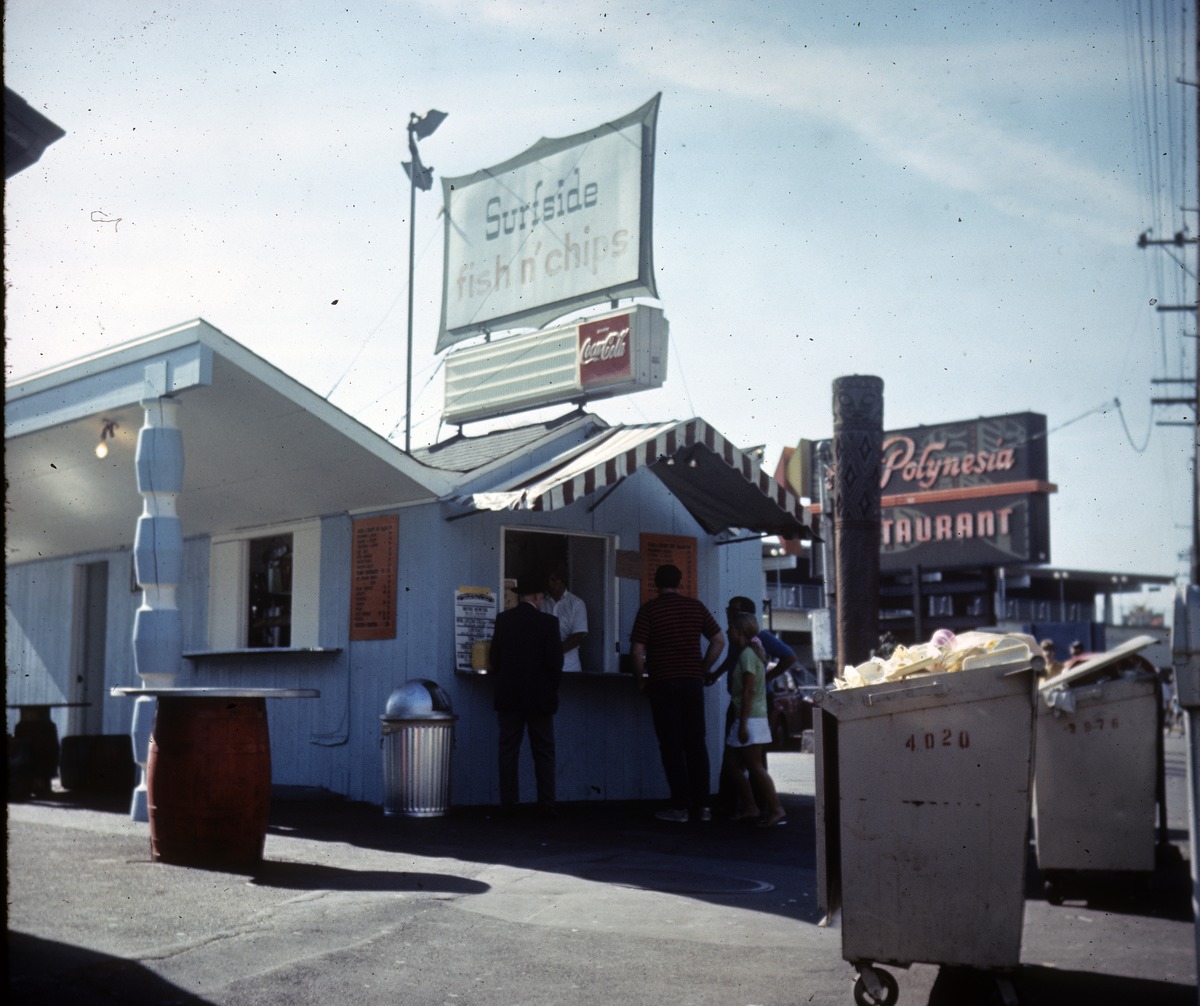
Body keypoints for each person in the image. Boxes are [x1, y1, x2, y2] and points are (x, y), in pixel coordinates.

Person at [630, 564, 726, 824]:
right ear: (680, 583)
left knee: (671, 745)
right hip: (692, 683)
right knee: (696, 743)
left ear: (655, 584)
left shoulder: (649, 611)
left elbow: (638, 652)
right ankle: (703, 807)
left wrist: (640, 681)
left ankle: (680, 807)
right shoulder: (696, 607)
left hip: (663, 684)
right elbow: (719, 640)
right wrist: (703, 668)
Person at [707, 596, 796, 815]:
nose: (729, 613)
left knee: (752, 758)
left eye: (734, 610)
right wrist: (716, 674)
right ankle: (738, 804)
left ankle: (763, 804)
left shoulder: (758, 638)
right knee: (736, 757)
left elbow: (789, 657)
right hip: (740, 701)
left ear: (745, 614)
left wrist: (767, 678)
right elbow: (731, 663)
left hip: (754, 702)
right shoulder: (738, 640)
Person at [489, 571, 565, 817]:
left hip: (509, 695)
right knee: (543, 751)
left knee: (508, 750)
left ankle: (508, 804)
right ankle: (547, 804)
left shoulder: (503, 620)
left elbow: (495, 660)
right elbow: (556, 663)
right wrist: (549, 688)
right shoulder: (548, 623)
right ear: (537, 596)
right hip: (540, 696)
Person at [723, 611, 787, 828]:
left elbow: (749, 691)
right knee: (733, 764)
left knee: (754, 765)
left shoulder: (747, 655)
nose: (727, 631)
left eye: (730, 628)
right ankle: (752, 806)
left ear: (740, 631)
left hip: (750, 718)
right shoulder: (749, 653)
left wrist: (742, 724)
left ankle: (776, 808)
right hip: (750, 716)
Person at [541, 566, 588, 673]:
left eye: (553, 580)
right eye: (548, 580)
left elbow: (578, 636)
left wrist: (554, 652)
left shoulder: (576, 604)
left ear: (562, 582)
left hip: (569, 665)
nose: (549, 583)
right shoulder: (542, 602)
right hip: (545, 665)